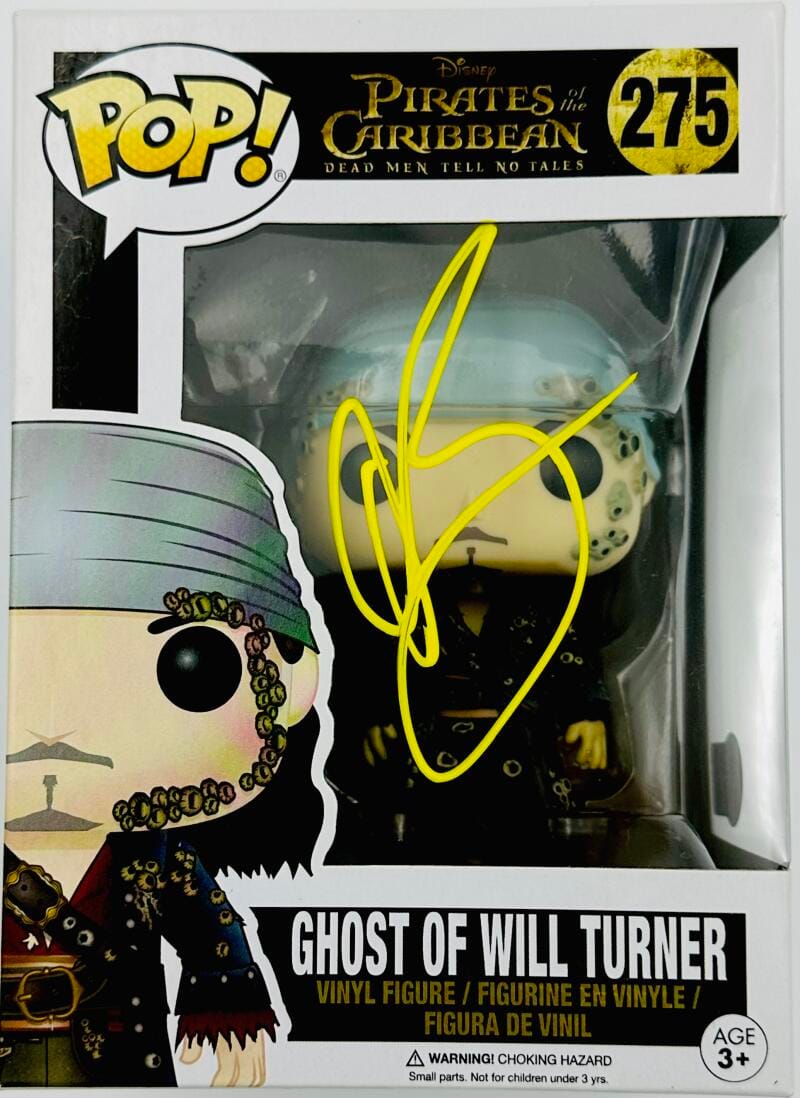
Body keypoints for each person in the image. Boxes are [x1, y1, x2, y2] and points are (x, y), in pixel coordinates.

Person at [283, 291, 689, 866]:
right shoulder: (388, 611)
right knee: (419, 846)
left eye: (560, 467)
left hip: (521, 753)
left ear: (643, 479)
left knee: (532, 843)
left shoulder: (546, 613)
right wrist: (373, 720)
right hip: (426, 760)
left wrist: (587, 716)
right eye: (378, 468)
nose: (473, 506)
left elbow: (572, 663)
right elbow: (369, 667)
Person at [1, 421, 326, 1086]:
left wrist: (226, 999)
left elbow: (210, 928)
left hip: (117, 1055)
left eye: (189, 663)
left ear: (293, 679)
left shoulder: (154, 856)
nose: (52, 730)